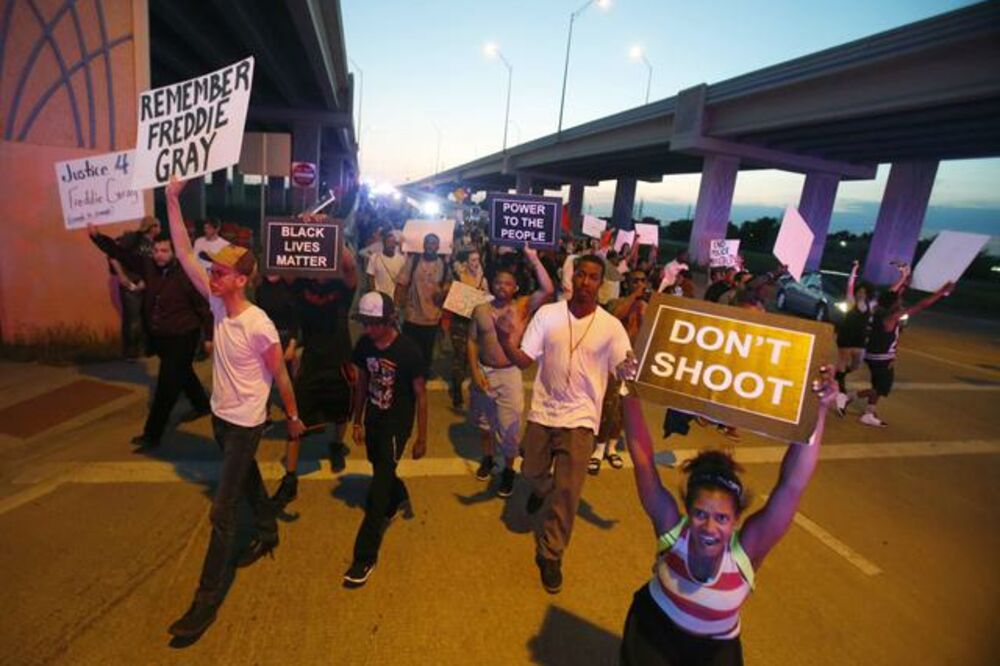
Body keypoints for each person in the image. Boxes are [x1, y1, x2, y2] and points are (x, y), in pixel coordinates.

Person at [163, 178, 305, 639]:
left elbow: (280, 374)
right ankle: (267, 530)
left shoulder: (258, 324)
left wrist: (292, 416)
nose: (213, 276)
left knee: (222, 513)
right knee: (248, 482)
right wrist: (170, 198)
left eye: (221, 273)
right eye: (214, 272)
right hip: (221, 420)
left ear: (241, 279)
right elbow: (185, 254)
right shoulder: (218, 304)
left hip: (246, 425)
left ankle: (204, 604)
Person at [618, 367, 838, 665]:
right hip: (653, 631)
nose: (709, 527)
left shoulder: (746, 552)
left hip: (715, 649)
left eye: (721, 518)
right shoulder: (672, 530)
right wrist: (628, 390)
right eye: (700, 514)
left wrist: (818, 411)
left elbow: (792, 485)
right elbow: (643, 460)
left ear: (736, 520)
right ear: (687, 510)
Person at [496, 254, 632, 593]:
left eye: (593, 277)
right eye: (581, 275)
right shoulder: (548, 315)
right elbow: (525, 360)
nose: (586, 282)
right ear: (572, 277)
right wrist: (503, 340)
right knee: (530, 473)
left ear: (601, 283)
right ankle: (541, 490)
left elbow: (624, 370)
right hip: (544, 412)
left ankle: (552, 553)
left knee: (569, 492)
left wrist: (631, 369)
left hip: (582, 418)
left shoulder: (611, 326)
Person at [87, 224, 212, 448]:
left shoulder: (188, 274)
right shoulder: (149, 266)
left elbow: (204, 308)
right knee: (183, 371)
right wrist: (98, 238)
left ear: (175, 252)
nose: (159, 255)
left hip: (183, 335)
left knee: (166, 386)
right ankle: (202, 404)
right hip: (161, 335)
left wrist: (210, 337)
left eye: (164, 251)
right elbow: (121, 253)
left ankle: (152, 434)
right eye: (156, 251)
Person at [344, 291, 428, 587]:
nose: (368, 330)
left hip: (397, 425)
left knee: (376, 493)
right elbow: (363, 382)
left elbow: (421, 395)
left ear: (389, 319)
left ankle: (364, 557)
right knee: (378, 465)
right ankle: (399, 492)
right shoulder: (364, 345)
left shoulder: (408, 351)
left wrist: (421, 437)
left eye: (374, 323)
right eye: (365, 323)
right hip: (373, 420)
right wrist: (357, 421)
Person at [273, 242, 359, 506]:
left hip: (340, 358)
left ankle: (336, 446)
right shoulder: (302, 285)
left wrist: (330, 233)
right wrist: (302, 233)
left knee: (342, 409)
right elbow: (282, 267)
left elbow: (350, 265)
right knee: (296, 415)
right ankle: (290, 477)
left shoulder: (342, 288)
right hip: (311, 359)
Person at [467, 244, 554, 497]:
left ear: (515, 287)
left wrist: (533, 258)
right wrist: (475, 372)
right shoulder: (480, 308)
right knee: (484, 424)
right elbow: (472, 341)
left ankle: (508, 470)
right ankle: (487, 458)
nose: (502, 287)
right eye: (498, 282)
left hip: (509, 374)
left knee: (510, 428)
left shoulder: (523, 306)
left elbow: (548, 290)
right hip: (484, 371)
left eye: (507, 283)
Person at [856, 279, 954, 427]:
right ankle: (848, 397)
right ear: (893, 303)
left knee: (877, 386)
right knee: (881, 388)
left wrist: (905, 284)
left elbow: (892, 295)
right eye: (899, 300)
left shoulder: (878, 311)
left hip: (872, 354)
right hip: (882, 358)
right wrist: (941, 292)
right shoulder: (892, 317)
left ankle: (869, 413)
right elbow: (921, 305)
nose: (901, 301)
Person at [590, 269, 651, 475]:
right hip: (613, 363)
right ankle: (598, 450)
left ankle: (612, 448)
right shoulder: (616, 302)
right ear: (628, 283)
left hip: (635, 365)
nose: (639, 284)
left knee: (624, 410)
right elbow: (615, 317)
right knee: (609, 407)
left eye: (642, 281)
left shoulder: (646, 308)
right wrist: (634, 296)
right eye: (635, 281)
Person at [835, 262, 908, 417]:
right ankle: (841, 395)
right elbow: (850, 285)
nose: (860, 294)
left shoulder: (871, 306)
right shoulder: (850, 302)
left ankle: (837, 379)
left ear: (868, 293)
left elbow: (890, 293)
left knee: (854, 367)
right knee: (842, 368)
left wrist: (903, 277)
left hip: (861, 343)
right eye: (859, 291)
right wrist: (854, 270)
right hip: (846, 340)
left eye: (863, 292)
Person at [395, 233, 450, 377]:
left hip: (432, 318)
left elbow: (448, 287)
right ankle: (409, 375)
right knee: (410, 349)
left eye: (433, 243)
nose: (430, 246)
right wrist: (396, 307)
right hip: (412, 316)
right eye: (428, 243)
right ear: (424, 245)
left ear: (438, 247)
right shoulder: (414, 261)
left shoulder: (443, 265)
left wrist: (443, 293)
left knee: (427, 351)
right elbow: (401, 284)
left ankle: (422, 376)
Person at [448, 249, 488, 408]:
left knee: (474, 358)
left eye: (477, 259)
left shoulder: (482, 279)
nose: (476, 263)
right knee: (460, 358)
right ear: (466, 262)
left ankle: (475, 390)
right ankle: (457, 393)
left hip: (475, 324)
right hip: (460, 324)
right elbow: (455, 304)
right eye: (472, 260)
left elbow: (486, 299)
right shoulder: (458, 277)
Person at [365, 229, 405, 297]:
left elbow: (402, 281)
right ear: (384, 243)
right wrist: (374, 295)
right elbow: (370, 278)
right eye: (389, 242)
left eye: (393, 242)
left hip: (393, 297)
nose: (391, 245)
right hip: (378, 297)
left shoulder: (401, 260)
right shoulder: (375, 257)